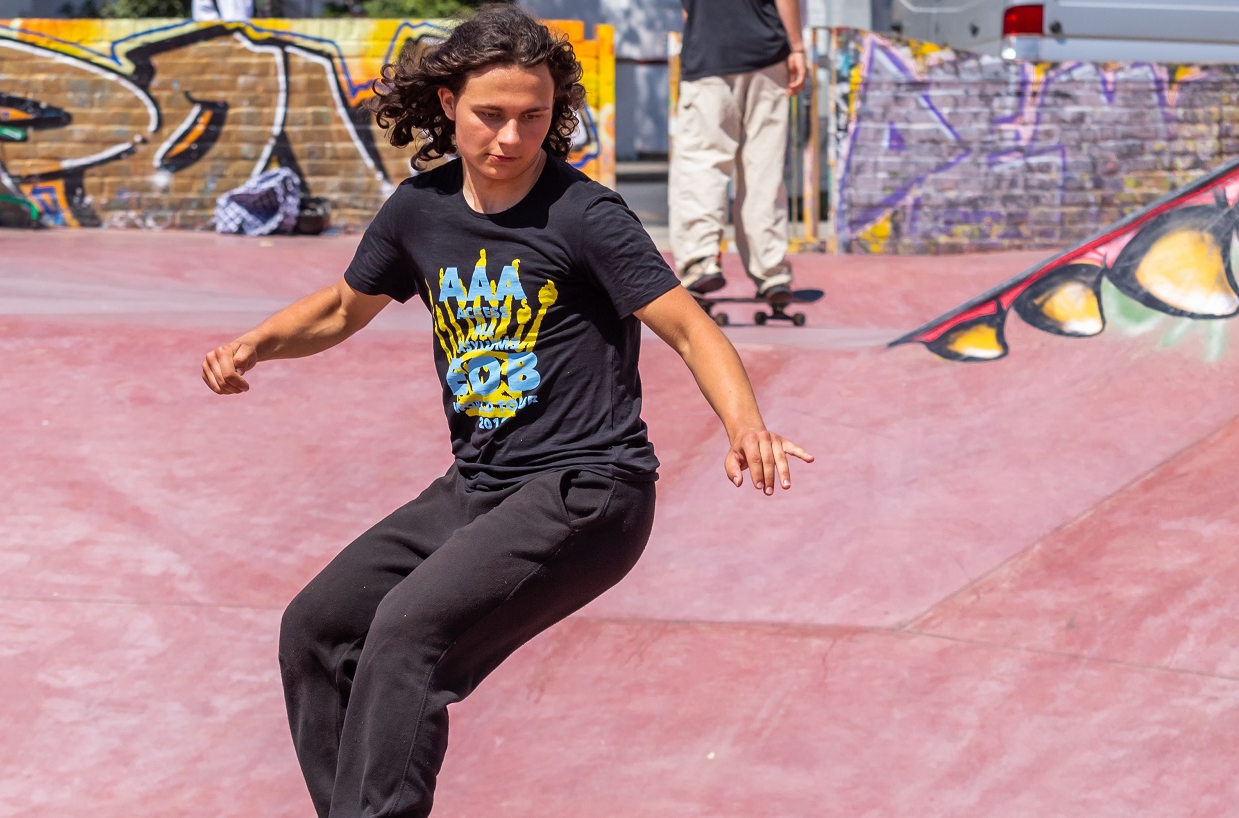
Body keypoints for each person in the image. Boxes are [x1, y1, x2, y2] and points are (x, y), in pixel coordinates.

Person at [201, 7, 813, 817]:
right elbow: (343, 310)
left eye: (533, 117)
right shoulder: (420, 211)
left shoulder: (584, 215)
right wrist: (256, 345)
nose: (510, 137)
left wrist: (745, 426)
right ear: (450, 100)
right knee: (317, 629)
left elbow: (691, 329)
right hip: (478, 487)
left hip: (589, 492)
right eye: (491, 115)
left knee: (406, 639)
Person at [669, 0, 807, 297]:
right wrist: (797, 47)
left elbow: (686, 10)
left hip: (708, 52)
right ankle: (770, 270)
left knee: (702, 162)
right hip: (766, 55)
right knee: (764, 167)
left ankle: (701, 259)